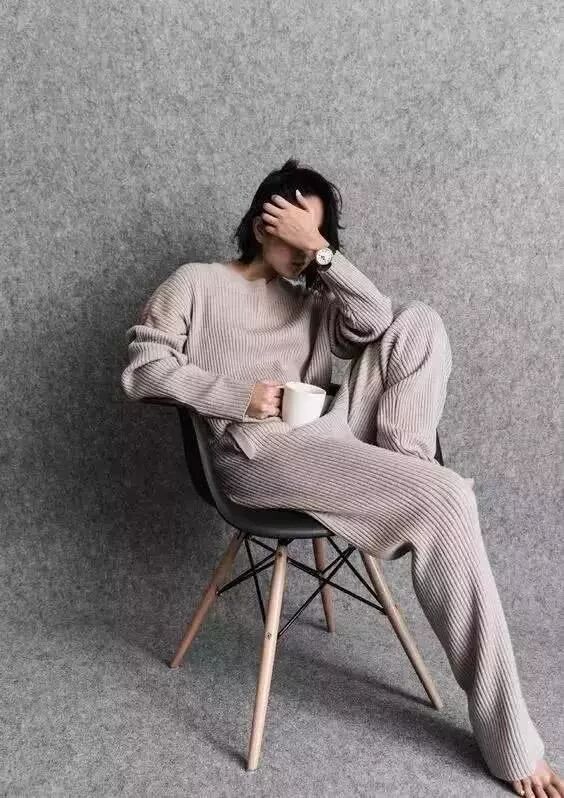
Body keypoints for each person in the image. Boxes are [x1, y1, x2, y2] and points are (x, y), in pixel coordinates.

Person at [121, 158, 562, 797]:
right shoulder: (195, 283)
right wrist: (240, 396)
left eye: (317, 235)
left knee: (419, 321)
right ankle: (510, 737)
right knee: (447, 498)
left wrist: (322, 255)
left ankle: (409, 477)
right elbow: (143, 369)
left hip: (326, 439)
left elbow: (377, 322)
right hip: (256, 455)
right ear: (263, 222)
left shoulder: (312, 300)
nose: (306, 249)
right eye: (296, 231)